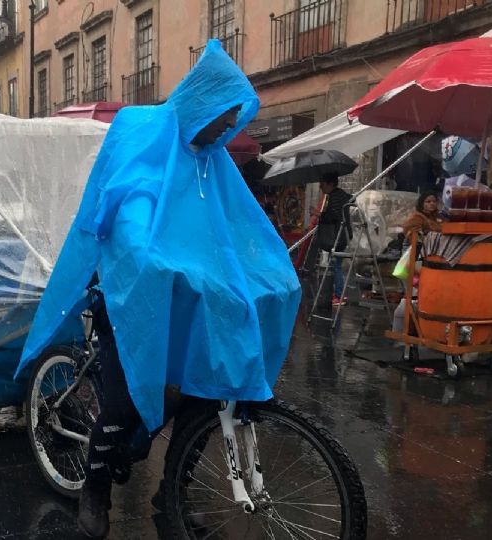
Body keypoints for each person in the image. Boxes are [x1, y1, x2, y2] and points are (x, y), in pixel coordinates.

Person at [15, 40, 300, 538]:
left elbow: (237, 226)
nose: (226, 127)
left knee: (200, 390)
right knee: (124, 403)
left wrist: (270, 270)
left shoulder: (212, 158)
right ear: (201, 103)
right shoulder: (141, 130)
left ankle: (173, 487)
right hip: (129, 293)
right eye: (223, 115)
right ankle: (95, 490)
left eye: (235, 118)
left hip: (185, 295)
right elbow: (128, 214)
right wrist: (151, 258)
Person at [393, 192, 443, 333]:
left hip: (429, 260)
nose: (431, 204)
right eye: (427, 201)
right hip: (415, 260)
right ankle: (403, 331)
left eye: (433, 201)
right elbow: (409, 231)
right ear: (421, 204)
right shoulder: (417, 217)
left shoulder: (438, 219)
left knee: (420, 294)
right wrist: (422, 236)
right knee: (413, 294)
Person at [310, 174, 353, 306]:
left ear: (329, 184)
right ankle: (338, 293)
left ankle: (338, 295)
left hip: (338, 236)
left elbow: (332, 216)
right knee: (336, 265)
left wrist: (317, 213)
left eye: (322, 184)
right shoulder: (340, 195)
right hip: (342, 235)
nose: (320, 187)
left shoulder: (335, 197)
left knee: (336, 266)